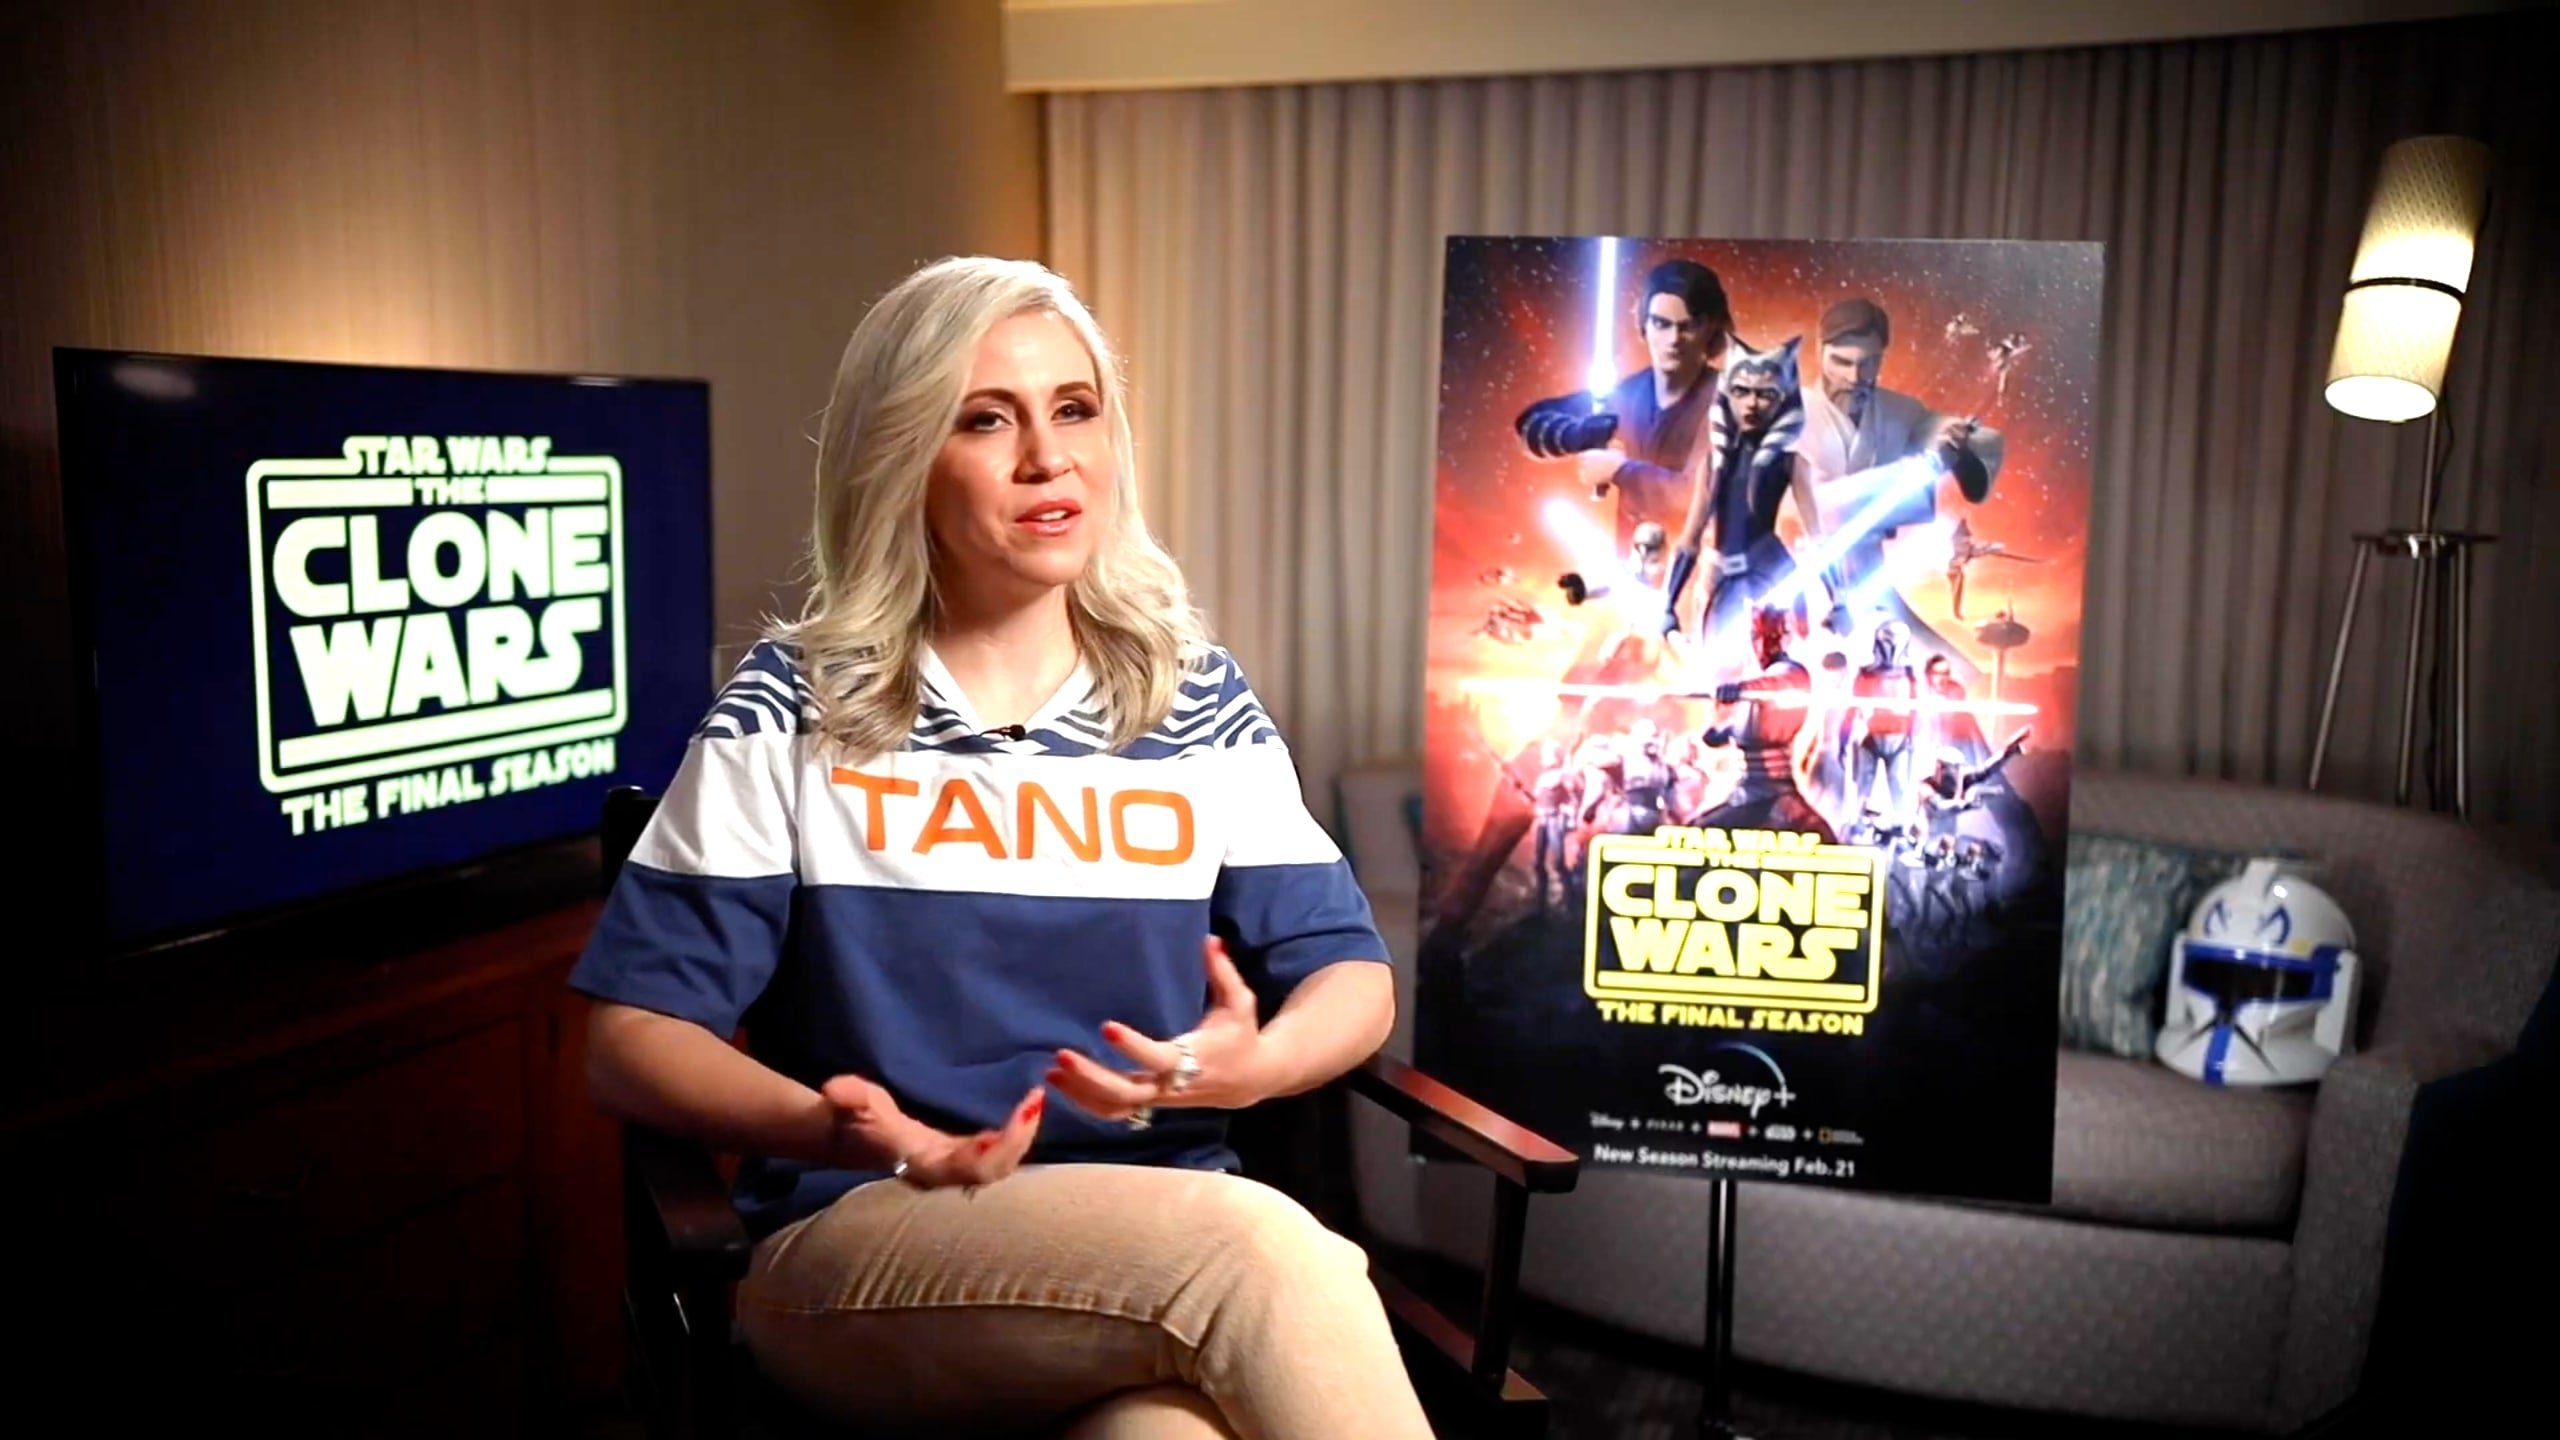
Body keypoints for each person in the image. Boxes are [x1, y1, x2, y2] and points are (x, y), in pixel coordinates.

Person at [571, 257, 1432, 1440]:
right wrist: (835, 1125)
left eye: (1074, 410)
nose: (1047, 459)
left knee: (1170, 1433)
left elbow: (1352, 976)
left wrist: (1252, 1064)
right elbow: (631, 1042)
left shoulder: (1194, 702)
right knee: (1265, 1253)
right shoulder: (795, 705)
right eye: (986, 420)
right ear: (901, 458)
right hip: (867, 1242)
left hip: (1152, 1241)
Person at [1796, 298, 2005, 674]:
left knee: (1955, 674)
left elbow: (1961, 436)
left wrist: (1955, 444)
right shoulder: (1789, 413)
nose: (1855, 377)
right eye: (1841, 362)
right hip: (1805, 579)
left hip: (1870, 578)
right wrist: (1919, 468)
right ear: (1820, 352)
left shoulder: (1897, 411)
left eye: (1868, 363)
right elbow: (1819, 504)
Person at [1514, 258, 1732, 541]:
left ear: (1711, 327)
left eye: (1689, 325)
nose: (1673, 339)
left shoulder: (1729, 401)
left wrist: (1619, 470)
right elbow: (1528, 425)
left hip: (1707, 560)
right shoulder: (1629, 395)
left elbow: (1697, 498)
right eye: (1661, 323)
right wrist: (1573, 434)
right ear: (1645, 324)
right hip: (1636, 559)